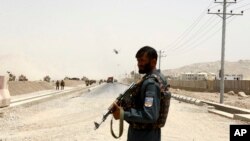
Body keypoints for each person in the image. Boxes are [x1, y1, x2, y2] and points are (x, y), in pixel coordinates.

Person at [112, 46, 169, 141]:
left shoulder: (151, 83)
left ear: (153, 62)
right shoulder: (153, 78)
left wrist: (122, 114)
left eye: (142, 61)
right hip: (145, 134)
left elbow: (150, 115)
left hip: (144, 135)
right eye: (138, 61)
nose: (139, 64)